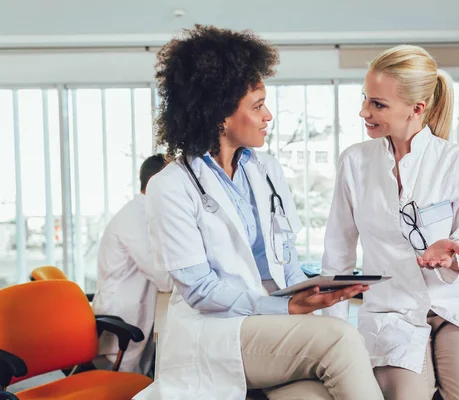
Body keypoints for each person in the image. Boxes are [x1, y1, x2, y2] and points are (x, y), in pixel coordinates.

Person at [133, 25, 383, 400]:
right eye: (257, 105)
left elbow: (286, 259)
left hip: (269, 323)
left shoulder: (266, 169)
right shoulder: (170, 186)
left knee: (315, 395)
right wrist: (283, 309)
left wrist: (311, 293)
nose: (268, 116)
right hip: (216, 332)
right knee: (343, 339)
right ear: (219, 114)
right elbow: (201, 291)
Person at [321, 45, 459, 400]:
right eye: (365, 99)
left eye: (378, 104)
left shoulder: (455, 160)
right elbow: (337, 255)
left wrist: (453, 257)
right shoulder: (355, 162)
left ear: (416, 108)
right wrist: (331, 338)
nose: (364, 111)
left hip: (455, 305)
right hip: (391, 311)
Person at [92, 154, 173, 376]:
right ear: (158, 182)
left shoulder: (148, 213)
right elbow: (164, 277)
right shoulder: (134, 219)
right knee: (130, 387)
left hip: (137, 311)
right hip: (121, 321)